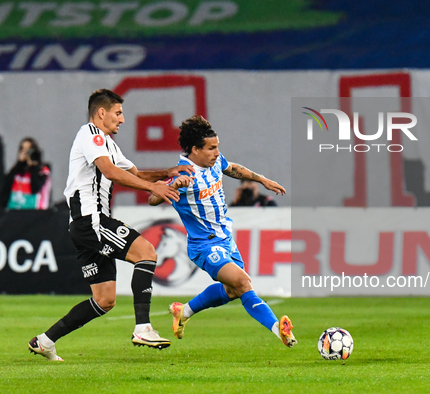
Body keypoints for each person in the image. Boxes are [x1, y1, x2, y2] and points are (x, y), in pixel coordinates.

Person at [28, 89, 194, 361]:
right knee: (147, 253)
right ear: (101, 113)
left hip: (84, 225)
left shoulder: (108, 143)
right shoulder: (90, 135)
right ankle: (143, 328)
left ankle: (45, 341)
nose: (123, 119)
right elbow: (110, 172)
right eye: (118, 113)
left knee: (104, 299)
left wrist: (167, 173)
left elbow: (134, 174)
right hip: (91, 220)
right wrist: (153, 186)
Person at [148, 115, 297, 348]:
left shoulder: (214, 162)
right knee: (243, 283)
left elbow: (233, 168)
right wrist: (173, 185)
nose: (217, 152)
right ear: (195, 150)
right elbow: (152, 198)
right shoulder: (181, 174)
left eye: (218, 147)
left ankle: (183, 311)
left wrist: (262, 180)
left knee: (232, 290)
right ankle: (279, 329)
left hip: (226, 239)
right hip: (204, 246)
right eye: (212, 148)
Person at [0, 137, 51, 210]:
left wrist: (32, 166)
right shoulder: (17, 170)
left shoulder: (42, 170)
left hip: (35, 213)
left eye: (29, 150)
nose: (26, 153)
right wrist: (19, 163)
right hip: (14, 211)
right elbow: (6, 186)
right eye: (23, 149)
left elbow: (35, 188)